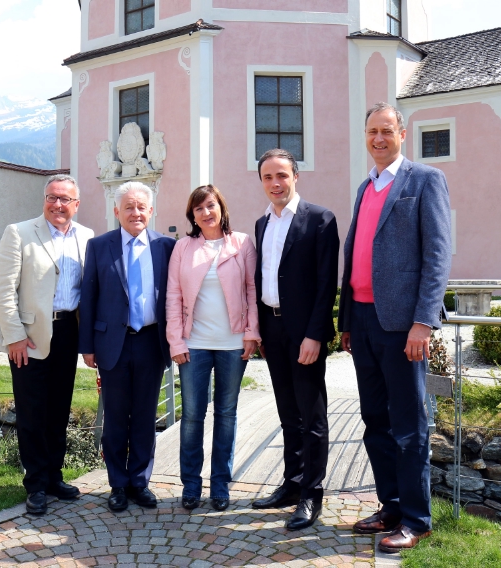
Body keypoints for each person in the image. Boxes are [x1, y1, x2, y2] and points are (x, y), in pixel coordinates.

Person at [338, 102, 451, 552]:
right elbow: (356, 254)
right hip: (364, 320)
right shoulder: (366, 186)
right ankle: (391, 506)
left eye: (387, 130)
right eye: (372, 131)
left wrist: (423, 321)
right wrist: (348, 321)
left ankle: (417, 519)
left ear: (403, 134)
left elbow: (438, 254)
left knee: (408, 425)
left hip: (404, 326)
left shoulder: (424, 180)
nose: (379, 138)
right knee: (374, 421)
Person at [0, 174, 93, 516]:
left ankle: (53, 477)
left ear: (76, 204)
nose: (57, 204)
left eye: (65, 199)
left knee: (59, 410)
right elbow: (3, 289)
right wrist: (14, 336)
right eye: (52, 197)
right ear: (44, 199)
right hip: (29, 337)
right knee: (32, 411)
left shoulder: (86, 237)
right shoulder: (19, 232)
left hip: (68, 333)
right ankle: (35, 484)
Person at [251, 149, 340, 530]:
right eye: (268, 177)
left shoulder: (320, 219)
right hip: (272, 330)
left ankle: (311, 494)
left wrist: (314, 335)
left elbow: (326, 284)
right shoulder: (261, 224)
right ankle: (291, 483)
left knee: (312, 416)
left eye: (282, 175)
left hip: (304, 333)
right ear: (261, 181)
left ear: (295, 177)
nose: (276, 183)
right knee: (288, 413)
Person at [79, 181, 175, 512]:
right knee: (116, 417)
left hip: (151, 341)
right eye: (128, 207)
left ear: (151, 211)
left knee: (146, 416)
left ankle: (140, 482)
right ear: (116, 211)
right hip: (112, 344)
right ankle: (118, 484)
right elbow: (88, 297)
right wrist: (87, 345)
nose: (136, 213)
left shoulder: (166, 246)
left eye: (141, 207)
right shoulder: (99, 245)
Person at [165, 185, 260, 512]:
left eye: (210, 205)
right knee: (192, 415)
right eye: (199, 209)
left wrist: (252, 332)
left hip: (233, 343)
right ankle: (191, 485)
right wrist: (175, 340)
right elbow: (173, 295)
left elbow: (252, 290)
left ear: (221, 208)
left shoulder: (242, 243)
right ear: (192, 216)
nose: (206, 213)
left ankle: (220, 485)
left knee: (226, 414)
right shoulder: (183, 247)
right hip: (194, 344)